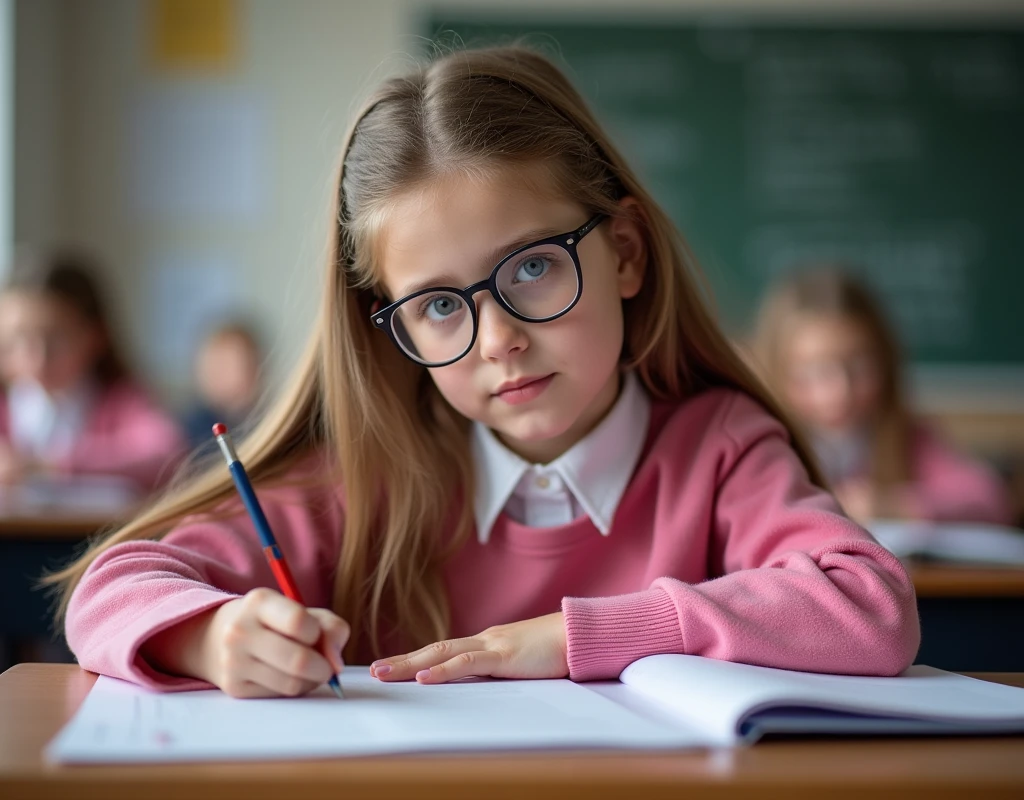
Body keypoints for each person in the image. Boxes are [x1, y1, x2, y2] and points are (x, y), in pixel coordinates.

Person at [51, 46, 919, 699]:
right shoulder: (367, 478)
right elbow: (111, 588)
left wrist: (574, 638)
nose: (496, 338)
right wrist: (212, 636)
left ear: (623, 253)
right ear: (388, 326)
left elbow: (871, 606)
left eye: (533, 266)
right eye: (437, 306)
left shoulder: (717, 447)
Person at [752, 267, 1012, 526]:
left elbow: (990, 498)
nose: (840, 392)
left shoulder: (909, 437)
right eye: (813, 372)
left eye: (859, 367)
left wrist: (897, 505)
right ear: (777, 372)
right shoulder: (767, 445)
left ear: (885, 362)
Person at [0, 251, 186, 492]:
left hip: (97, 529)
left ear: (95, 335)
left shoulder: (120, 399)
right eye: (17, 339)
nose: (37, 358)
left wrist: (53, 465)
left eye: (55, 338)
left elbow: (168, 453)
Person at [181, 322, 264, 450]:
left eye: (227, 365)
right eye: (212, 366)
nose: (216, 374)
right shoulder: (190, 427)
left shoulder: (266, 419)